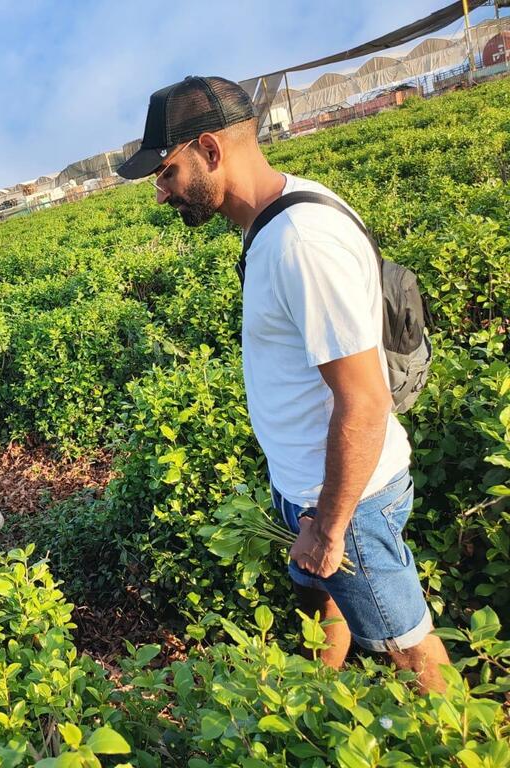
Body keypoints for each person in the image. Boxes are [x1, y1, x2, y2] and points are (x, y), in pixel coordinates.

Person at [118, 75, 450, 692]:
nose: (161, 194)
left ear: (209, 150)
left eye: (165, 172)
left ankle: (459, 735)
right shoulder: (274, 218)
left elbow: (364, 400)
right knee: (323, 605)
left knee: (408, 653)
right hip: (311, 488)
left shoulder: (300, 242)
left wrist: (329, 527)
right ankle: (318, 700)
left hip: (347, 501)